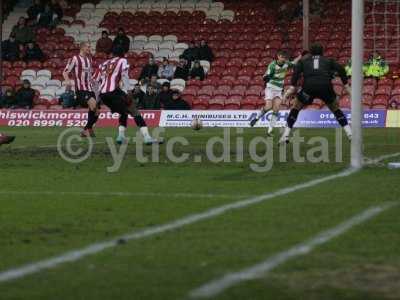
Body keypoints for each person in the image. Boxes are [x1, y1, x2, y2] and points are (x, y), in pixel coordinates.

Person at [279, 43, 352, 143]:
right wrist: (346, 85)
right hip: (325, 87)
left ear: (310, 52)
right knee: (335, 109)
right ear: (322, 51)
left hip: (309, 87)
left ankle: (286, 135)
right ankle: (349, 133)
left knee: (296, 107)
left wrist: (292, 87)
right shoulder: (328, 60)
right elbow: (341, 68)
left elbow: (296, 71)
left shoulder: (303, 61)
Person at [95, 46, 162, 145]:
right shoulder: (122, 61)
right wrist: (129, 91)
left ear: (112, 54)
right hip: (114, 91)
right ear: (122, 54)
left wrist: (97, 98)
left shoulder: (103, 64)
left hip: (103, 95)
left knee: (123, 112)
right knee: (134, 110)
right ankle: (147, 138)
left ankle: (121, 136)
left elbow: (96, 80)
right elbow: (124, 75)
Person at [250, 50, 302, 135]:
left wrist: (300, 57)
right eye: (282, 57)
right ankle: (256, 118)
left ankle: (270, 131)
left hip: (279, 90)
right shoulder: (272, 65)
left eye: (285, 58)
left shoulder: (287, 64)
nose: (283, 59)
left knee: (276, 109)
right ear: (278, 56)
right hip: (270, 88)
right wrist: (266, 77)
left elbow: (294, 62)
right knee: (268, 106)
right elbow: (267, 75)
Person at [63, 42, 98, 137]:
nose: (89, 48)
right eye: (88, 46)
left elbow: (89, 74)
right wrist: (67, 81)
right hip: (81, 89)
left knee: (96, 111)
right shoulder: (75, 59)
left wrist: (94, 82)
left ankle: (87, 129)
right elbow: (65, 72)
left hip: (90, 89)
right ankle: (87, 129)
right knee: (93, 106)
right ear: (82, 48)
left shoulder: (89, 59)